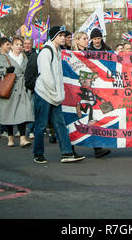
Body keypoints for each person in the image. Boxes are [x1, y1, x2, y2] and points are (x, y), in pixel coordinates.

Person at [33, 26, 85, 163]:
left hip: (55, 95)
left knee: (60, 123)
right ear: (53, 37)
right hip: (44, 94)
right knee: (41, 124)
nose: (63, 37)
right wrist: (56, 94)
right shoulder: (46, 51)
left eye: (64, 35)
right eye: (60, 35)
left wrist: (57, 94)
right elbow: (47, 77)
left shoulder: (58, 51)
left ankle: (67, 153)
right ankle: (38, 154)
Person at [72, 31, 110, 159]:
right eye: (84, 38)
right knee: (72, 121)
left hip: (89, 90)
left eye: (87, 38)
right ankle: (70, 149)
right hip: (75, 91)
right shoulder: (70, 54)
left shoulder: (89, 53)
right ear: (77, 41)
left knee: (92, 120)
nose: (87, 40)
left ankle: (97, 148)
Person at [0, 36, 34, 148]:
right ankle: (11, 136)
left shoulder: (24, 58)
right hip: (9, 88)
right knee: (9, 113)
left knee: (22, 112)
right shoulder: (5, 57)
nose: (19, 46)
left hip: (22, 88)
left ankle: (23, 137)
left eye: (20, 45)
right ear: (11, 46)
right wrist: (6, 70)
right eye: (16, 44)